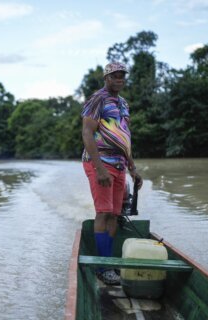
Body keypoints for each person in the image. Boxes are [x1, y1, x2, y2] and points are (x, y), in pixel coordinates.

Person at [81, 61, 142, 285]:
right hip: (100, 162)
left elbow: (125, 138)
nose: (119, 79)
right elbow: (87, 133)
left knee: (115, 214)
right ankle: (102, 266)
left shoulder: (124, 103)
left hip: (119, 164)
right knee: (104, 213)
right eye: (115, 76)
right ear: (106, 78)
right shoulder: (98, 99)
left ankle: (108, 262)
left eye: (122, 76)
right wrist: (98, 168)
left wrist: (133, 169)